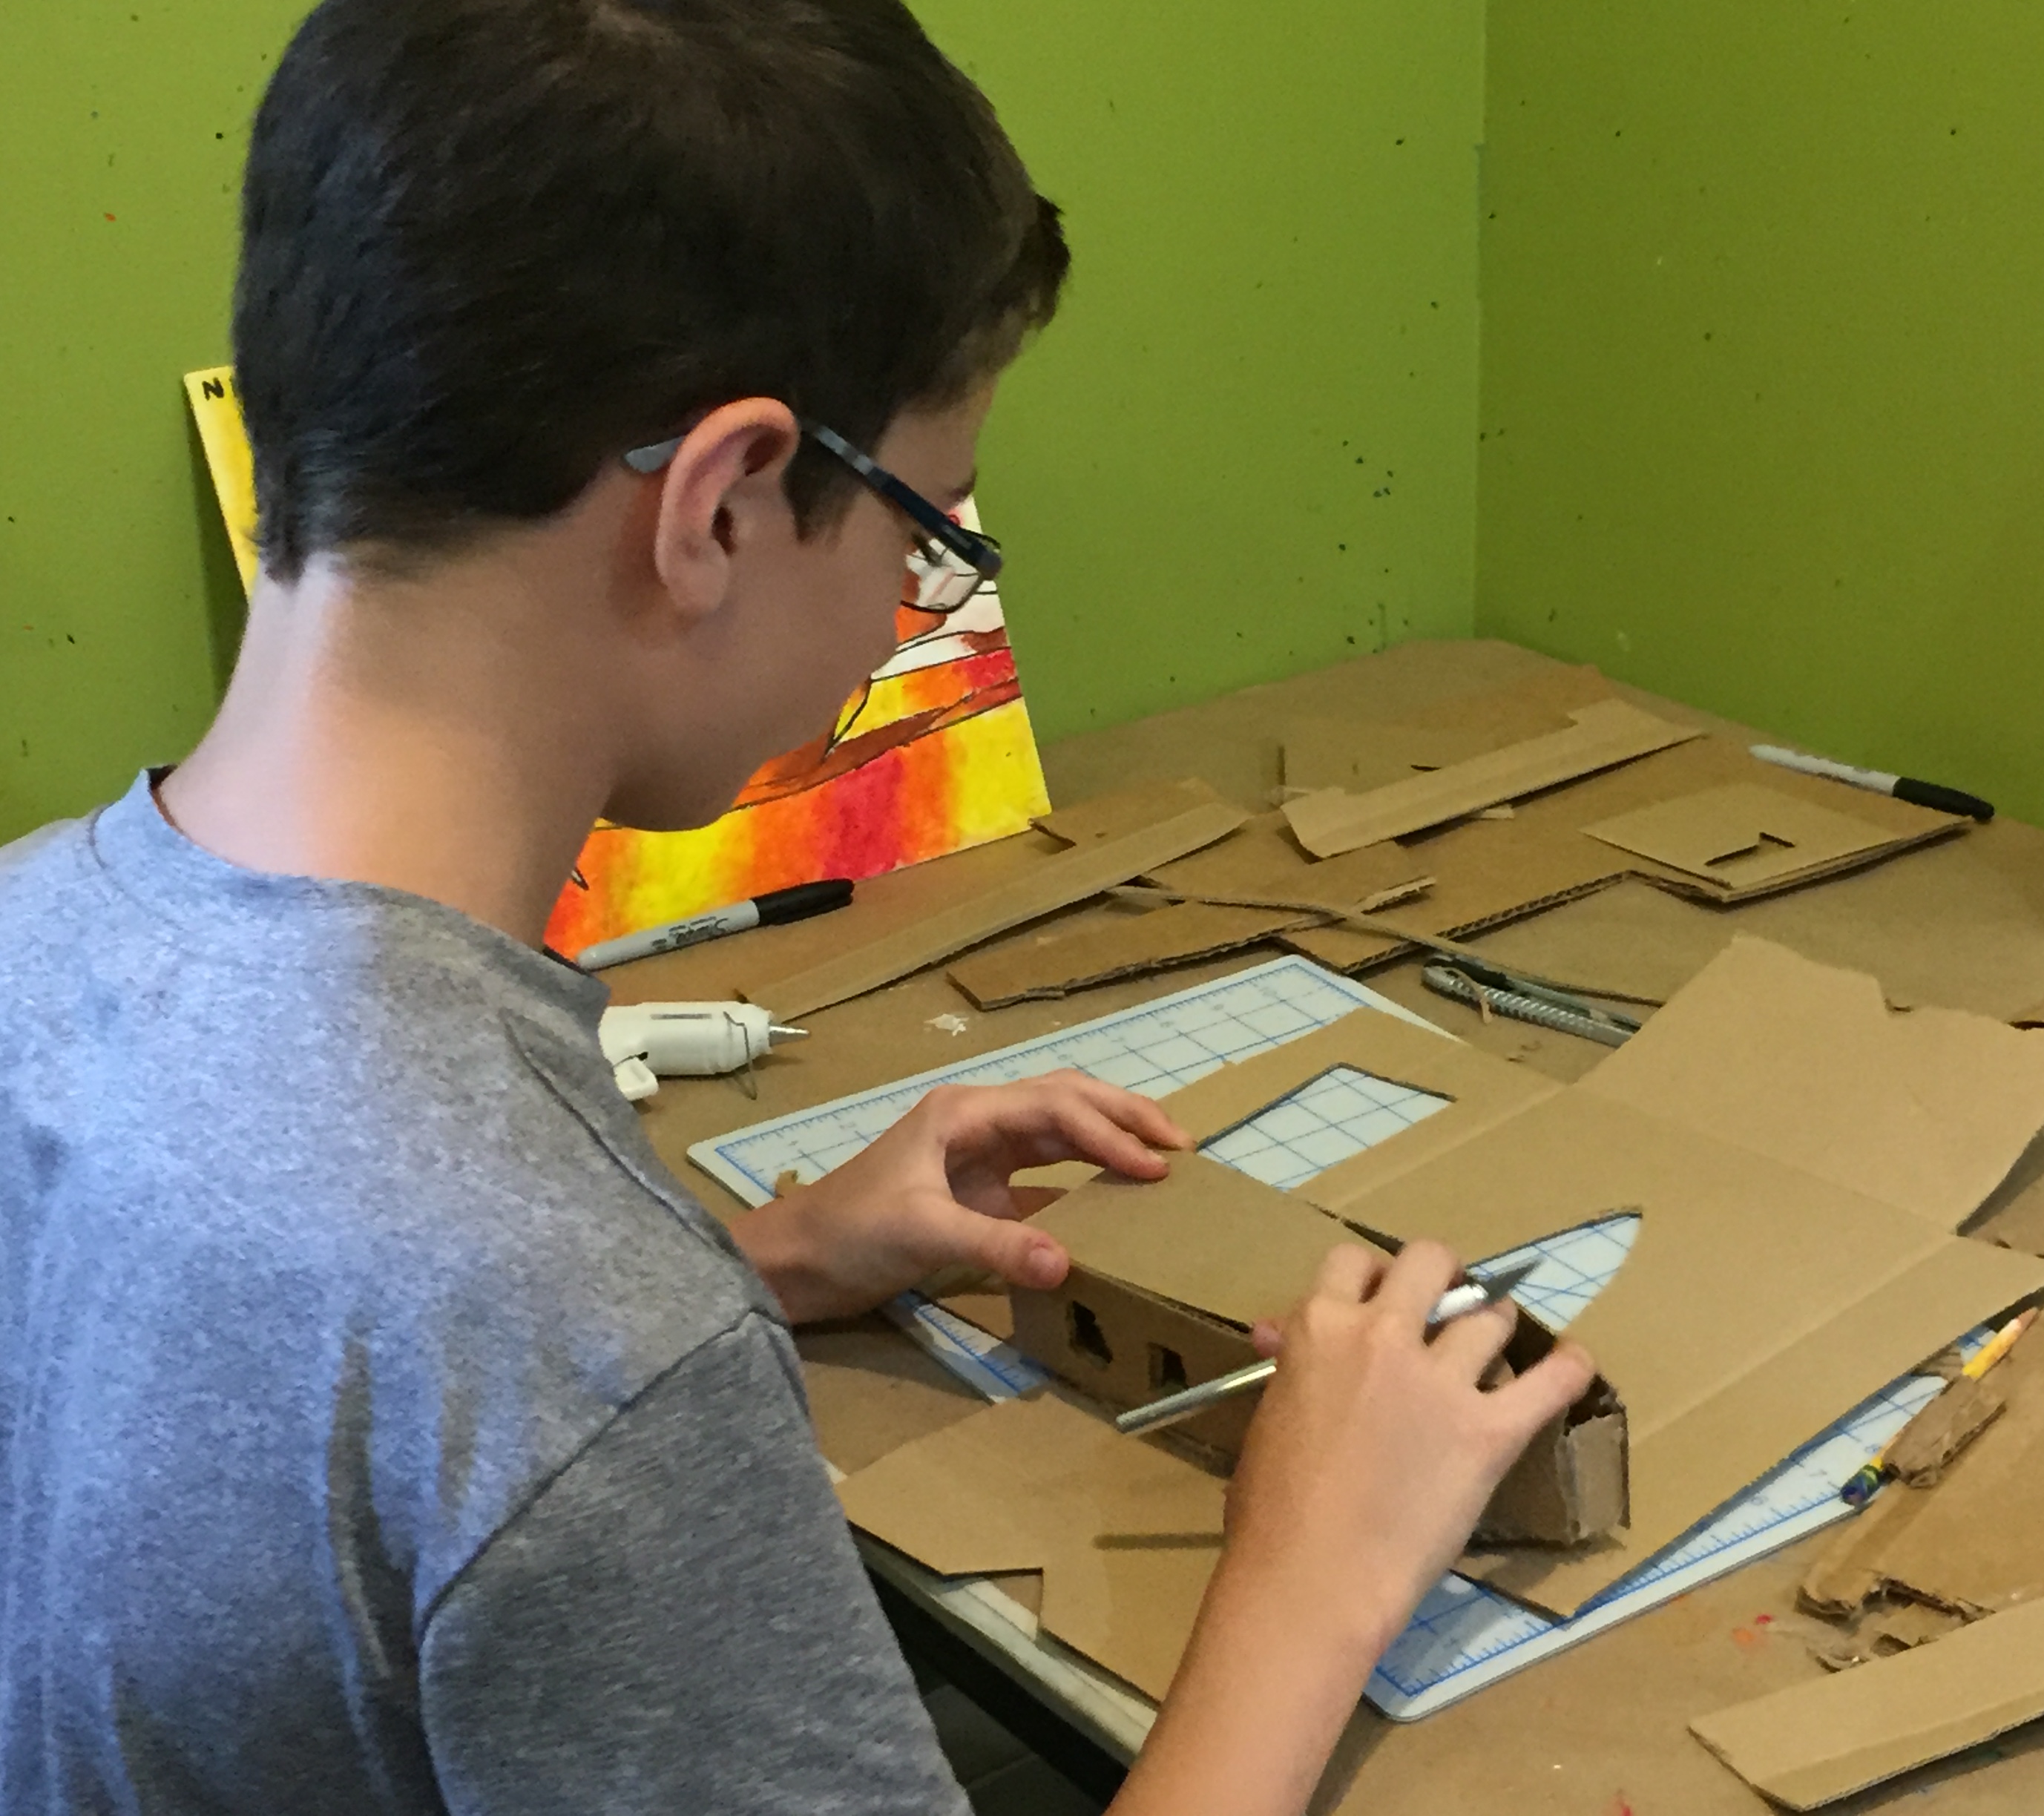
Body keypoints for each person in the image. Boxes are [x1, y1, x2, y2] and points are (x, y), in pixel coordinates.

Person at [0, 2, 1594, 1811]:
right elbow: (516, 1361)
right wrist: (1322, 1567)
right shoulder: (574, 1337)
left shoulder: (36, 937)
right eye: (930, 528)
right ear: (723, 507)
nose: (915, 595)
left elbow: (229, 1433)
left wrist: (743, 1262)